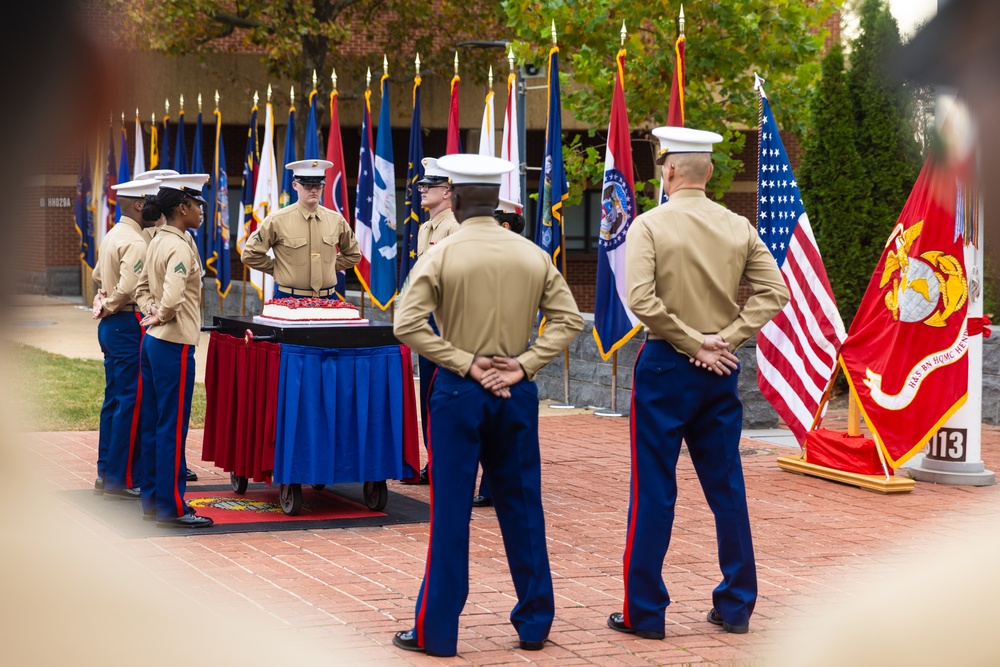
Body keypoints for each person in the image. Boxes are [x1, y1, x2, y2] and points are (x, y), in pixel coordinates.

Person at [391, 153, 584, 657]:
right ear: (497, 200)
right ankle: (535, 623)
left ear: (453, 197)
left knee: (451, 513)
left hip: (459, 391)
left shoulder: (442, 253)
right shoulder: (531, 254)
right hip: (515, 391)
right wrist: (523, 364)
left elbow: (406, 325)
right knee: (523, 508)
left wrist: (466, 362)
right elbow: (568, 322)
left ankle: (438, 632)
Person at [607, 127, 788, 639]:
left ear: (668, 171)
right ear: (707, 174)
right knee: (727, 486)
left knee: (653, 491)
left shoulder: (650, 224)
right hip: (720, 370)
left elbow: (641, 301)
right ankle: (736, 607)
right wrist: (722, 340)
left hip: (667, 364)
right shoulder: (738, 225)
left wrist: (692, 343)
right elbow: (775, 292)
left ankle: (645, 613)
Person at [133, 173, 214, 528]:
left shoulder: (154, 239)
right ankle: (172, 507)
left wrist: (150, 311)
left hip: (153, 342)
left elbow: (140, 287)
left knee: (154, 423)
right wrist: (160, 313)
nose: (201, 211)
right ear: (182, 207)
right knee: (172, 426)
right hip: (173, 342)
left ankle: (153, 500)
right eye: (197, 205)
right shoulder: (179, 245)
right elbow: (174, 297)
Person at [90, 177, 162, 499]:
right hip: (124, 322)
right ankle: (122, 478)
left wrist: (103, 299)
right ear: (139, 205)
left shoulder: (112, 234)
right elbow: (129, 288)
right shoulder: (136, 241)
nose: (155, 209)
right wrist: (107, 304)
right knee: (131, 402)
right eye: (151, 203)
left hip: (111, 327)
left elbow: (96, 275)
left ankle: (107, 473)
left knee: (115, 399)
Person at [471, 201, 528, 509]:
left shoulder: (515, 259)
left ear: (504, 226)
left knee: (499, 418)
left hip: (502, 347)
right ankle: (495, 485)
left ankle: (494, 486)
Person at [409, 157, 461, 485]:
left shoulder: (454, 227)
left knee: (441, 395)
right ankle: (435, 460)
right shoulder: (426, 227)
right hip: (427, 316)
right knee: (427, 395)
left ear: (447, 191)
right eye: (422, 185)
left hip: (444, 319)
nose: (422, 189)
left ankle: (445, 461)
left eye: (430, 186)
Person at [241, 159, 360, 300]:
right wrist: (281, 269)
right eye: (308, 185)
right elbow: (250, 254)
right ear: (295, 185)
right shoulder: (277, 220)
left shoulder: (336, 220)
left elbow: (353, 254)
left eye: (318, 185)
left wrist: (326, 266)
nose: (314, 190)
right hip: (289, 297)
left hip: (328, 298)